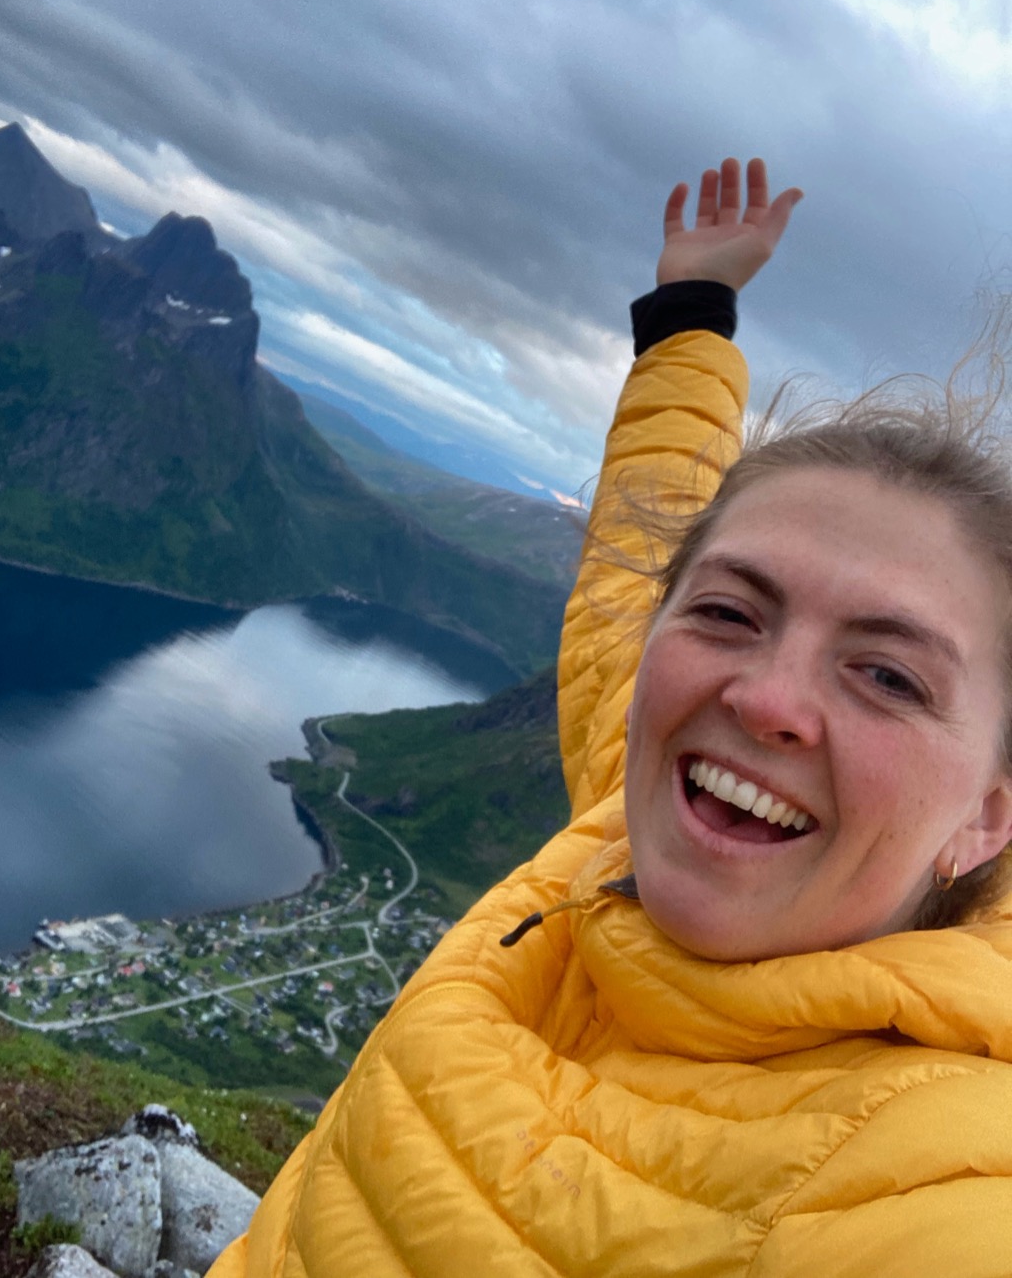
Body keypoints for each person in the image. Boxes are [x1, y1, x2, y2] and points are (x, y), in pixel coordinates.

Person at [210, 159, 1012, 1277]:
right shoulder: (635, 819)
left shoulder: (941, 1174)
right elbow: (633, 561)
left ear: (988, 816)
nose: (765, 700)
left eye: (887, 676)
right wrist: (693, 312)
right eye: (730, 611)